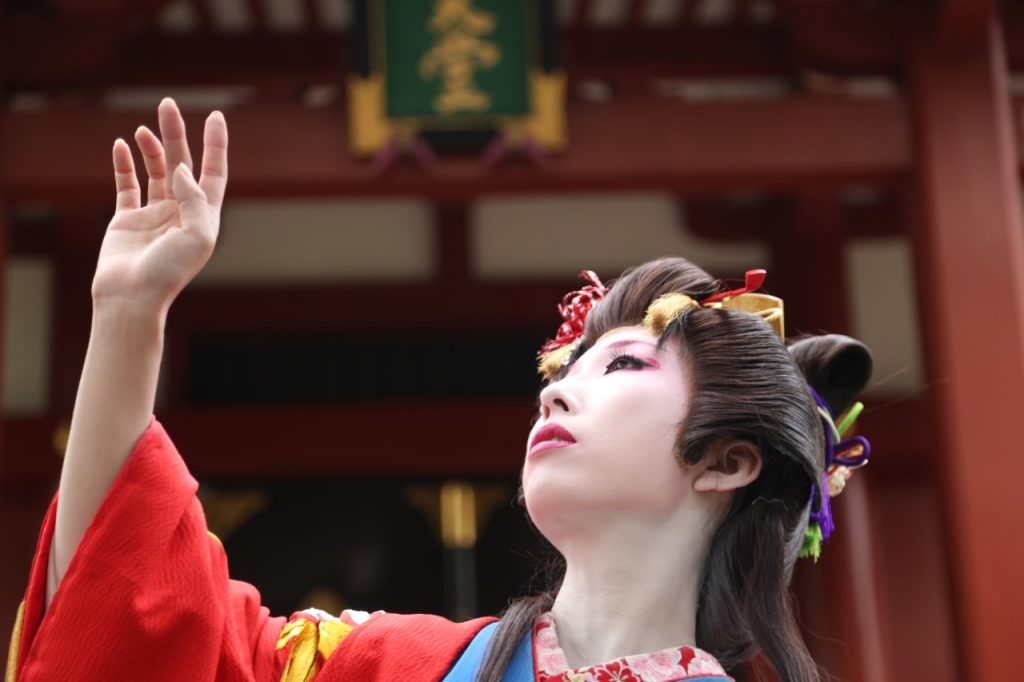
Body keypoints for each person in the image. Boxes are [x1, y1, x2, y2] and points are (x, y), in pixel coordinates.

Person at [6, 99, 873, 682]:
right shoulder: (385, 664)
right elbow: (144, 612)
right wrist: (127, 318)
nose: (555, 396)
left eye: (621, 367)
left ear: (726, 461)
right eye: (561, 373)